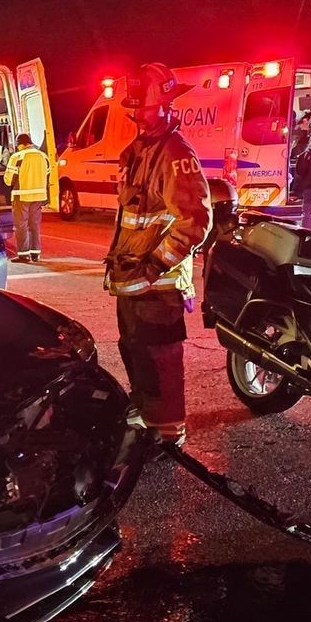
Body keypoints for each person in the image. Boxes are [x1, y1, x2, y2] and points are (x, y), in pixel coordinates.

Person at [105, 63, 212, 448]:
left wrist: (154, 266)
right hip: (133, 282)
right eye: (134, 110)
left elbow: (195, 221)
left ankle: (168, 440)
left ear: (166, 106)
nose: (138, 117)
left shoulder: (175, 153)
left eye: (145, 109)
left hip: (158, 285)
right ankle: (149, 427)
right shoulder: (138, 151)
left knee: (160, 364)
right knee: (138, 357)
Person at [4, 133, 51, 262]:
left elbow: (8, 180)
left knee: (21, 225)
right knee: (34, 224)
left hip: (21, 196)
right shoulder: (43, 156)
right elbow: (48, 176)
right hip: (39, 196)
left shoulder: (17, 157)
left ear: (20, 144)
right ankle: (35, 253)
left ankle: (23, 254)